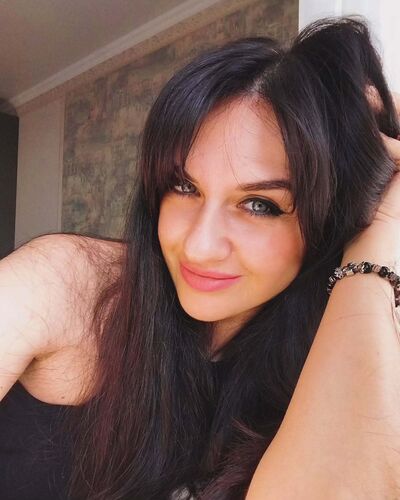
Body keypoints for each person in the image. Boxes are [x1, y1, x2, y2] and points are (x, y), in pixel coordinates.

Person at [1, 15, 400, 500]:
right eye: (183, 187)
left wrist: (378, 235)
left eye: (260, 205)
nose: (199, 246)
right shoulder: (63, 283)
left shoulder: (344, 346)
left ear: (330, 217)